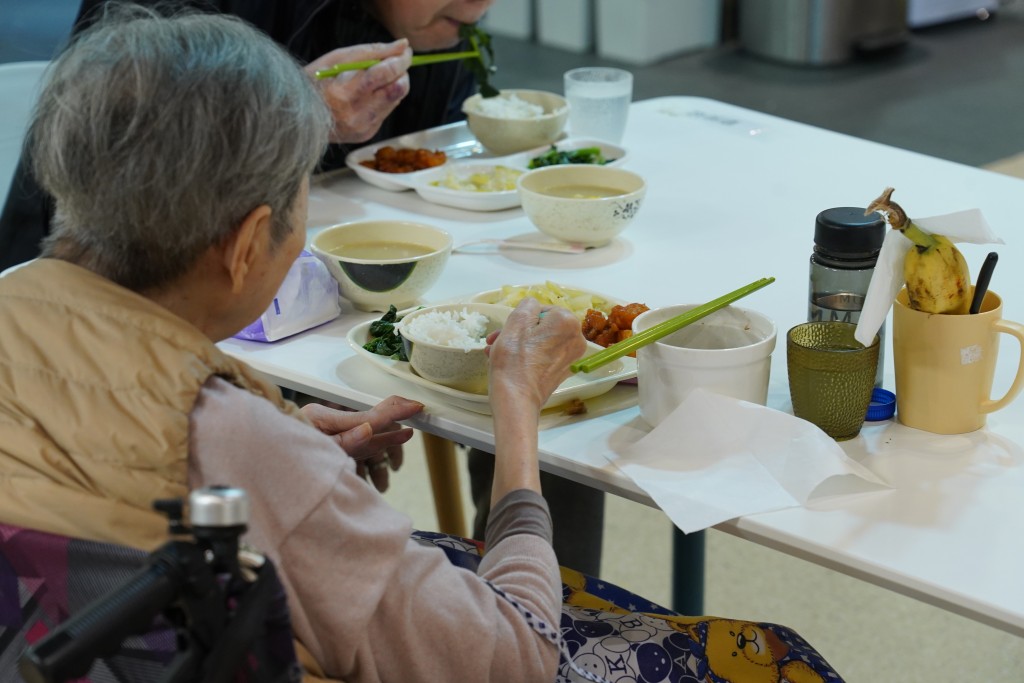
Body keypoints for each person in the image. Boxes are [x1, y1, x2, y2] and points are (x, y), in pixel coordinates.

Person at [0, 8, 583, 681]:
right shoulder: (239, 443)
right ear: (249, 244)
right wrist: (516, 411)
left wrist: (280, 449)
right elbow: (514, 657)